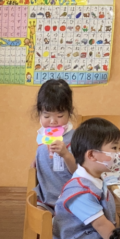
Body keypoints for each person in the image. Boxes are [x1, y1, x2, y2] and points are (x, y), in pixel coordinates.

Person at [52, 117, 120, 239]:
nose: (119, 154)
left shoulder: (95, 178)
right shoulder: (81, 192)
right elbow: (102, 226)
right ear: (92, 155)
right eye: (114, 148)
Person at [32, 78, 76, 211]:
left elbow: (79, 172)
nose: (53, 121)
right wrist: (36, 161)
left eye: (60, 115)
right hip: (45, 199)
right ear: (39, 113)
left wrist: (66, 155)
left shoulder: (75, 139)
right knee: (38, 214)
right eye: (46, 116)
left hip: (70, 200)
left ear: (70, 112)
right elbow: (43, 154)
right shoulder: (42, 135)